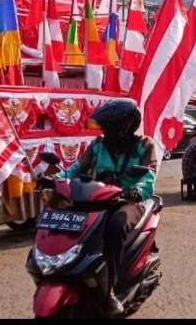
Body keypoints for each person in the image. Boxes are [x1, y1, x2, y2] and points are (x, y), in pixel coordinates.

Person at [58, 100, 157, 315]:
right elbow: (77, 168)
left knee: (115, 226)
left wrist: (138, 190)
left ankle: (109, 290)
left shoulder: (145, 145)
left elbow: (149, 176)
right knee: (71, 223)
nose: (105, 132)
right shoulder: (98, 145)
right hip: (96, 197)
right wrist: (56, 179)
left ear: (124, 127)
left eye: (109, 128)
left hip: (127, 201)